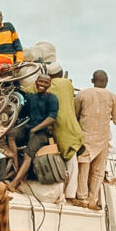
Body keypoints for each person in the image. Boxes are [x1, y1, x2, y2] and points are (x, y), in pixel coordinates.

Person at [75, 70, 116, 209]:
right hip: (102, 140)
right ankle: (92, 200)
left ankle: (82, 198)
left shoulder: (82, 94)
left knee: (83, 169)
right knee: (97, 172)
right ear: (106, 81)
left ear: (92, 80)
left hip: (85, 138)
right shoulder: (113, 97)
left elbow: (74, 115)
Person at [8, 74, 58, 192]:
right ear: (36, 82)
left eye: (45, 83)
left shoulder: (52, 98)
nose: (42, 85)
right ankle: (15, 166)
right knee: (10, 134)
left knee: (27, 155)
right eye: (40, 82)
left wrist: (35, 130)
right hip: (28, 127)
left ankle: (14, 183)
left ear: (49, 85)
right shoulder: (31, 97)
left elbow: (52, 118)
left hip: (42, 133)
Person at [46, 62, 84, 204]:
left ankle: (66, 193)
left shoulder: (50, 85)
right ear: (61, 73)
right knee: (71, 162)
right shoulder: (67, 84)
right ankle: (69, 195)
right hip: (71, 129)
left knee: (64, 162)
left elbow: (30, 89)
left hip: (57, 128)